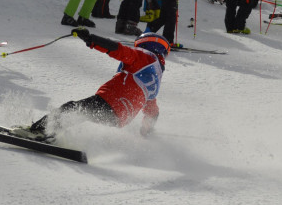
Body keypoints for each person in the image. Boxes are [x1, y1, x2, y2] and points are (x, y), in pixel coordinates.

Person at [21, 30, 170, 140]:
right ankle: (51, 134)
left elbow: (118, 50)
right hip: (120, 118)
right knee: (80, 114)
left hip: (110, 102)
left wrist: (91, 39)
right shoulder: (156, 77)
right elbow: (153, 112)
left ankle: (38, 131)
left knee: (72, 108)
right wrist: (146, 131)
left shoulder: (143, 57)